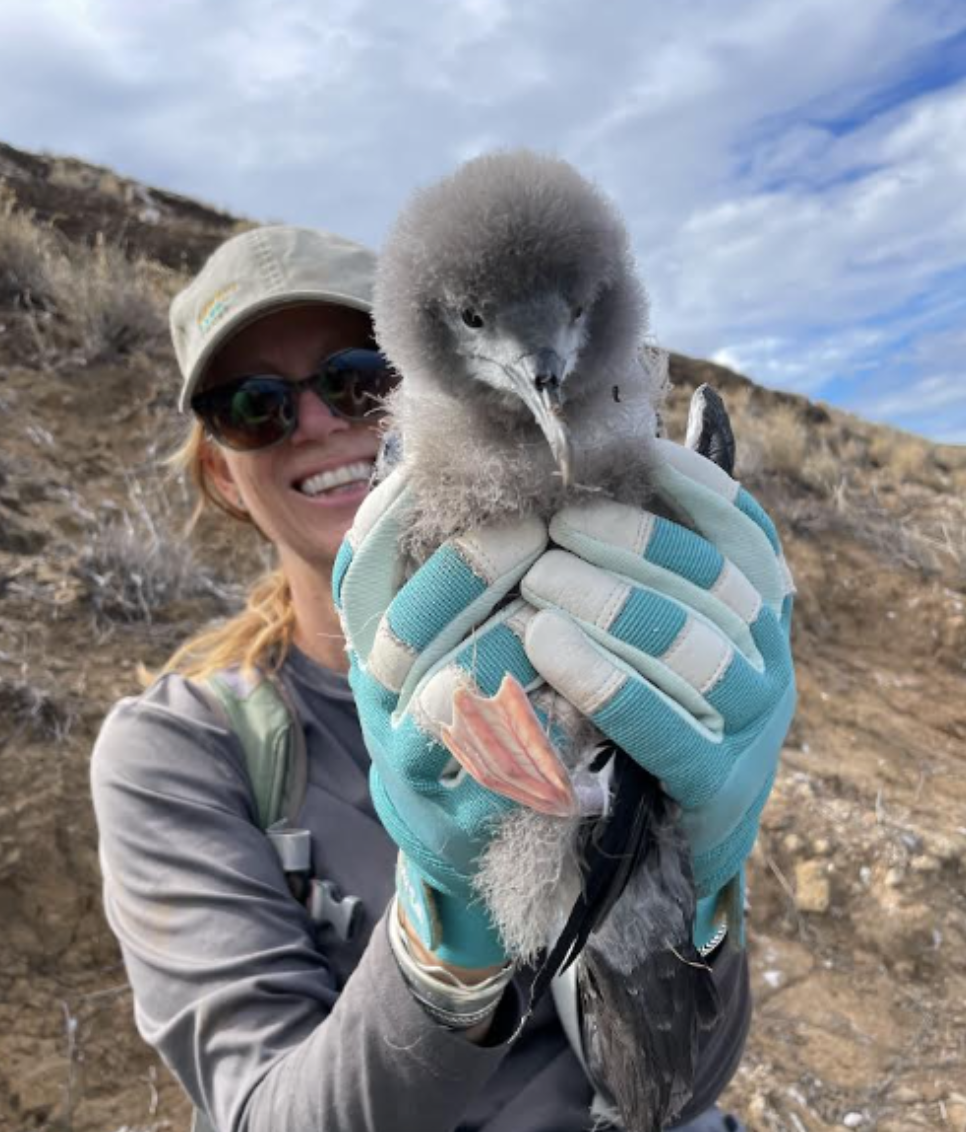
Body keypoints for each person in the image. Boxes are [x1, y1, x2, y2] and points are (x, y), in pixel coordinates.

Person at [91, 224, 795, 1132]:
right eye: (252, 406)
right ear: (222, 477)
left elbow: (678, 1089)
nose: (318, 423)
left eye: (358, 379)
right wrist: (444, 931)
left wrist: (698, 889)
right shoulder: (179, 749)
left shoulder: (604, 644)